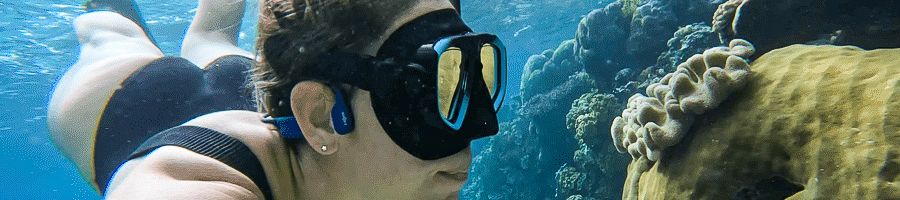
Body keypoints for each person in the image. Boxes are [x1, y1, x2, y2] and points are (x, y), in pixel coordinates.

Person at [48, 0, 506, 199]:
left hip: (243, 89)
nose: (480, 128)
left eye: (474, 78)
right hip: (129, 100)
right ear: (322, 117)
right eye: (423, 91)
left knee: (212, 36)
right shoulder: (185, 185)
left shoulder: (324, 115)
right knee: (112, 33)